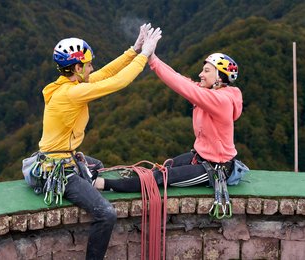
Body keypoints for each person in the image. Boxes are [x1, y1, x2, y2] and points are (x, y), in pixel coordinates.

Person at [37, 24, 162, 260]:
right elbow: (116, 83)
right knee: (106, 213)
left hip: (63, 157)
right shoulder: (72, 93)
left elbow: (103, 75)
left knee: (98, 165)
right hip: (60, 169)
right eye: (88, 64)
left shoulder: (68, 85)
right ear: (77, 67)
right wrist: (145, 55)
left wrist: (133, 51)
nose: (92, 67)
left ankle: (90, 183)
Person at [94, 52, 243, 192]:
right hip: (201, 157)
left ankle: (105, 184)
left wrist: (152, 61)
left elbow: (184, 87)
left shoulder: (221, 101)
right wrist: (153, 58)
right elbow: (179, 78)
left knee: (160, 178)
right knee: (166, 166)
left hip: (216, 167)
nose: (201, 74)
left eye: (206, 71)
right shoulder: (210, 93)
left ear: (219, 77)